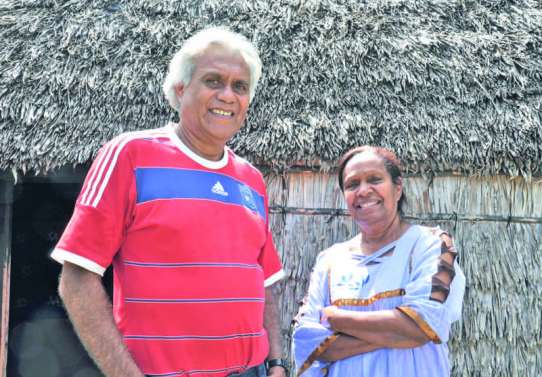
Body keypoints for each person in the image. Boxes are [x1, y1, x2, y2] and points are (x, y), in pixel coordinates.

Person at [52, 27, 288, 377]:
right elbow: (76, 278)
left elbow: (262, 278)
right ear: (181, 89)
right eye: (213, 81)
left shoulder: (251, 179)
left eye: (240, 87)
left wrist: (277, 363)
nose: (228, 95)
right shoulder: (130, 155)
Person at [292, 146, 465, 376]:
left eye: (375, 179)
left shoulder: (430, 245)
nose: (363, 190)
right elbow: (306, 342)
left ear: (398, 188)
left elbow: (425, 322)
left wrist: (336, 318)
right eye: (352, 184)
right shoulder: (330, 260)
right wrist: (400, 333)